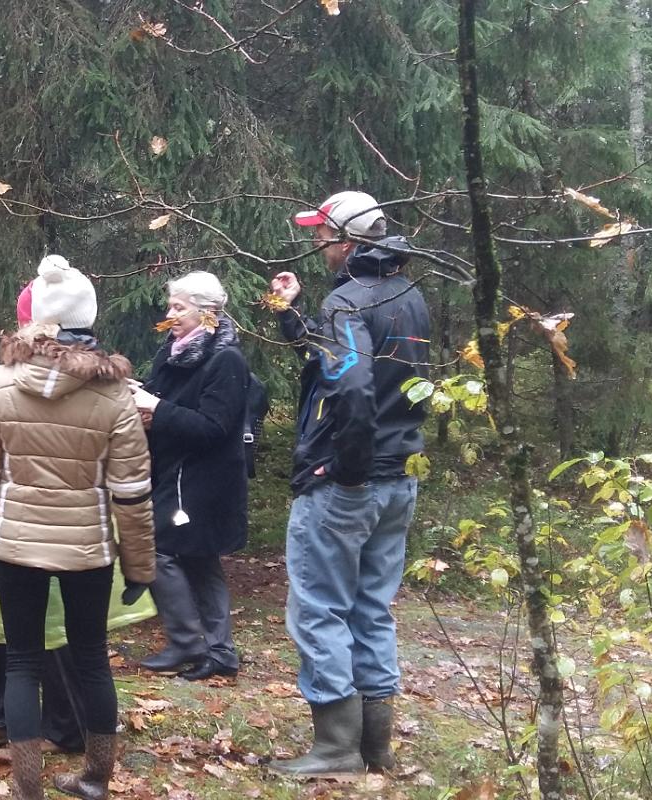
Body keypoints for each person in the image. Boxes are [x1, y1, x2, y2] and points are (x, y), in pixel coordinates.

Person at [0, 254, 155, 800]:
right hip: (87, 549)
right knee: (92, 658)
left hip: (16, 546)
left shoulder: (1, 384)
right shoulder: (116, 395)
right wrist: (140, 565)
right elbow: (132, 492)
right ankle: (95, 778)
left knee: (22, 662)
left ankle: (29, 789)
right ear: (89, 321)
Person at [267, 191, 431, 777]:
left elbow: (354, 389)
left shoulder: (346, 302)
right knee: (372, 608)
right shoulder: (408, 297)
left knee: (320, 608)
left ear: (348, 239)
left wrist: (349, 474)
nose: (317, 244)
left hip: (348, 483)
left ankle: (335, 749)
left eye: (322, 234)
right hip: (399, 477)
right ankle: (375, 749)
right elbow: (340, 366)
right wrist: (292, 316)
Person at [132, 271, 252, 683]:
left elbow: (215, 427)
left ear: (207, 313)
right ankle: (220, 652)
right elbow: (165, 398)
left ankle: (189, 641)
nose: (170, 315)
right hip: (175, 475)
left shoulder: (226, 359)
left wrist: (157, 409)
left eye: (179, 308)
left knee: (160, 549)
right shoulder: (175, 350)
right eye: (171, 306)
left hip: (205, 484)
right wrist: (142, 395)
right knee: (201, 563)